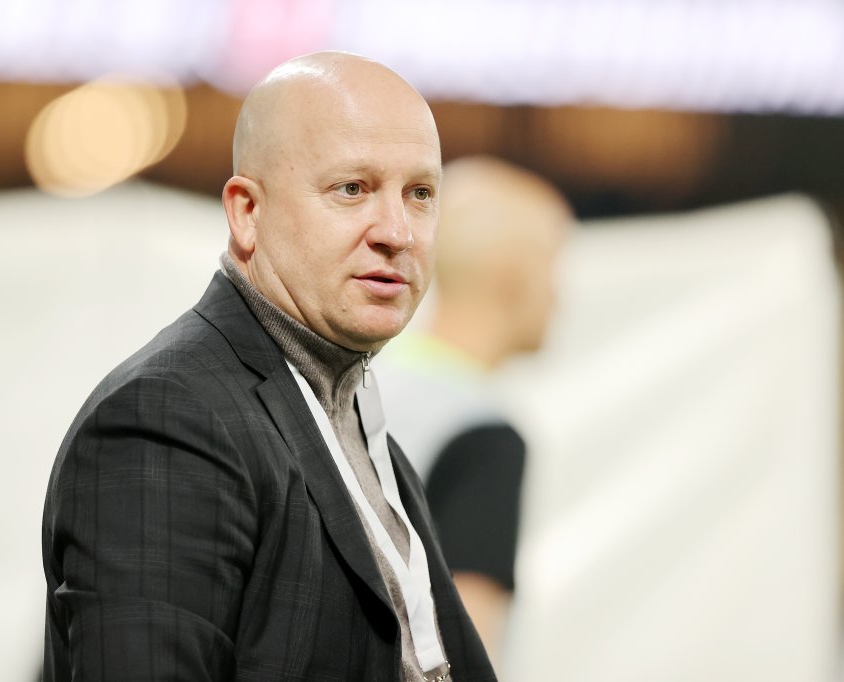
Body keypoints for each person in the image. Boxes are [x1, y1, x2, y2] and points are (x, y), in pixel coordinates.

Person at [41, 52, 496, 681]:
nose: (398, 232)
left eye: (420, 194)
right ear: (247, 213)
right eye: (352, 189)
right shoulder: (166, 422)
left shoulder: (351, 413)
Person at [377, 156, 573, 672]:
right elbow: (465, 647)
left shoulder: (359, 384)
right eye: (554, 267)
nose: (559, 297)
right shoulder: (482, 435)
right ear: (513, 275)